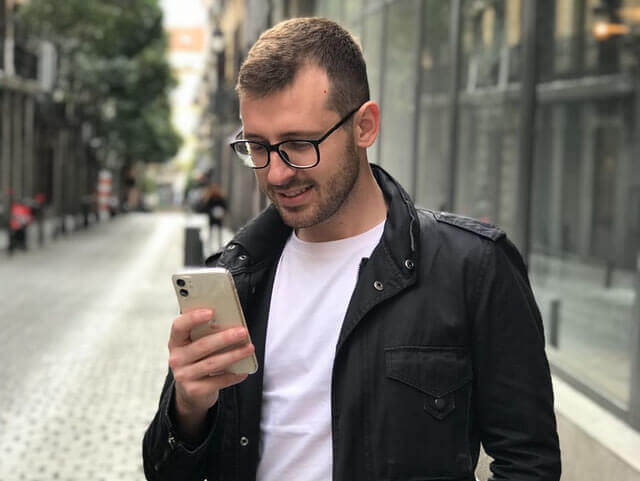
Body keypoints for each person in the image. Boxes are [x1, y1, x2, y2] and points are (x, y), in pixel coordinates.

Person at [143, 17, 561, 481]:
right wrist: (188, 406)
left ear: (365, 126)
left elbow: (529, 463)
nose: (277, 173)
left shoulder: (472, 267)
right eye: (257, 147)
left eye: (300, 145)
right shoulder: (237, 277)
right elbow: (165, 471)